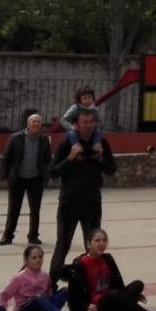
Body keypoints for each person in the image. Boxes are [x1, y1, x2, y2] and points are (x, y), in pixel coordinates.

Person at [47, 109, 113, 283]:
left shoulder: (100, 143)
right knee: (62, 245)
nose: (89, 126)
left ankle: (92, 285)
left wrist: (100, 157)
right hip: (69, 203)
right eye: (85, 122)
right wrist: (69, 158)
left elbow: (111, 169)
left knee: (93, 247)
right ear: (76, 124)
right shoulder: (67, 143)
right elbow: (52, 172)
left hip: (92, 202)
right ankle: (51, 286)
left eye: (92, 122)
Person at [60, 229, 156, 311]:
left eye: (104, 240)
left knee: (137, 285)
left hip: (112, 299)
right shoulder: (79, 265)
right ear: (88, 244)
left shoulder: (107, 259)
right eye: (97, 240)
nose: (102, 243)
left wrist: (130, 296)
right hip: (94, 308)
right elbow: (73, 297)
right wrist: (86, 307)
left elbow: (118, 286)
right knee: (116, 295)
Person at [0, 246, 78, 311]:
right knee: (38, 298)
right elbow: (3, 297)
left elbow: (48, 296)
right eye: (34, 258)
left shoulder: (45, 276)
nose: (38, 260)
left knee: (64, 291)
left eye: (40, 257)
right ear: (26, 260)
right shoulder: (19, 278)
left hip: (40, 309)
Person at [0, 115, 50, 247]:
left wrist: (46, 174)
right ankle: (8, 236)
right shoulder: (16, 138)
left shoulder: (44, 140)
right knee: (13, 209)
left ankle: (33, 236)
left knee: (35, 210)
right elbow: (6, 157)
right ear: (28, 123)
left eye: (39, 122)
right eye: (34, 121)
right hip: (18, 178)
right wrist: (5, 177)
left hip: (36, 179)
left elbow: (47, 158)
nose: (36, 124)